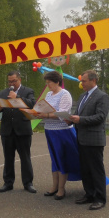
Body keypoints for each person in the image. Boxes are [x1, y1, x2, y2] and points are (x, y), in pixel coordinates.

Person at [36, 71, 81, 200]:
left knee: (62, 158)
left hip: (63, 131)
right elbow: (45, 108)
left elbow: (63, 113)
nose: (48, 85)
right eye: (47, 82)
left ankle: (61, 189)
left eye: (49, 82)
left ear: (57, 82)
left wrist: (46, 115)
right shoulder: (49, 94)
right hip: (50, 130)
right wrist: (37, 113)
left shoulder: (65, 94)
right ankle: (54, 186)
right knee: (54, 158)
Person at [68, 70, 109, 210]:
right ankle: (89, 194)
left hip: (94, 139)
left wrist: (80, 120)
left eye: (84, 81)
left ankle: (100, 198)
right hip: (81, 138)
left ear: (93, 81)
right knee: (85, 169)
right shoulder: (82, 96)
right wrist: (70, 119)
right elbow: (77, 114)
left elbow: (100, 117)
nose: (82, 83)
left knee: (96, 170)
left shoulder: (102, 96)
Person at [0, 70, 37, 193]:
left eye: (14, 81)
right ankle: (8, 183)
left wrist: (17, 97)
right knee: (8, 158)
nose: (11, 84)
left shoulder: (27, 91)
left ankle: (28, 183)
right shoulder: (3, 92)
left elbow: (32, 104)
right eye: (9, 81)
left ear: (20, 79)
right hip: (7, 130)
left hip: (23, 130)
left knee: (25, 158)